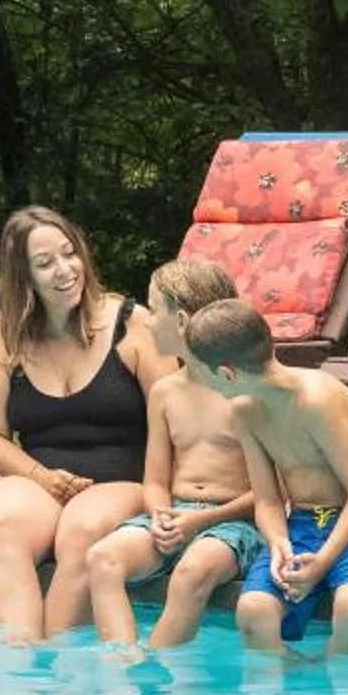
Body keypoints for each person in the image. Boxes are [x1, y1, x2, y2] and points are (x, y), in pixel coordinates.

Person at [0, 206, 178, 643]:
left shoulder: (131, 324)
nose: (65, 270)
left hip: (124, 479)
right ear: (24, 277)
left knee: (83, 527)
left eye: (69, 254)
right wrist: (40, 476)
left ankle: (58, 661)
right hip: (41, 478)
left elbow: (174, 420)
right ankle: (16, 668)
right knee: (0, 522)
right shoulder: (10, 335)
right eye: (45, 264)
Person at [178, 296, 348, 657]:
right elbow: (267, 499)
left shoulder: (318, 401)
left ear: (227, 374)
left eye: (198, 371)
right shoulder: (246, 412)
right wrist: (279, 542)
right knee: (253, 613)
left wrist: (324, 560)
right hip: (300, 525)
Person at [83, 260, 264, 650]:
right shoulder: (165, 392)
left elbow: (272, 493)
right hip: (175, 513)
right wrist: (161, 513)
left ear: (181, 320)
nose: (147, 322)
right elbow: (154, 479)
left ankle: (153, 676)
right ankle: (123, 670)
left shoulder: (245, 394)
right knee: (102, 558)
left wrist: (202, 520)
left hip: (233, 523)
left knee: (191, 573)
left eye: (155, 310)